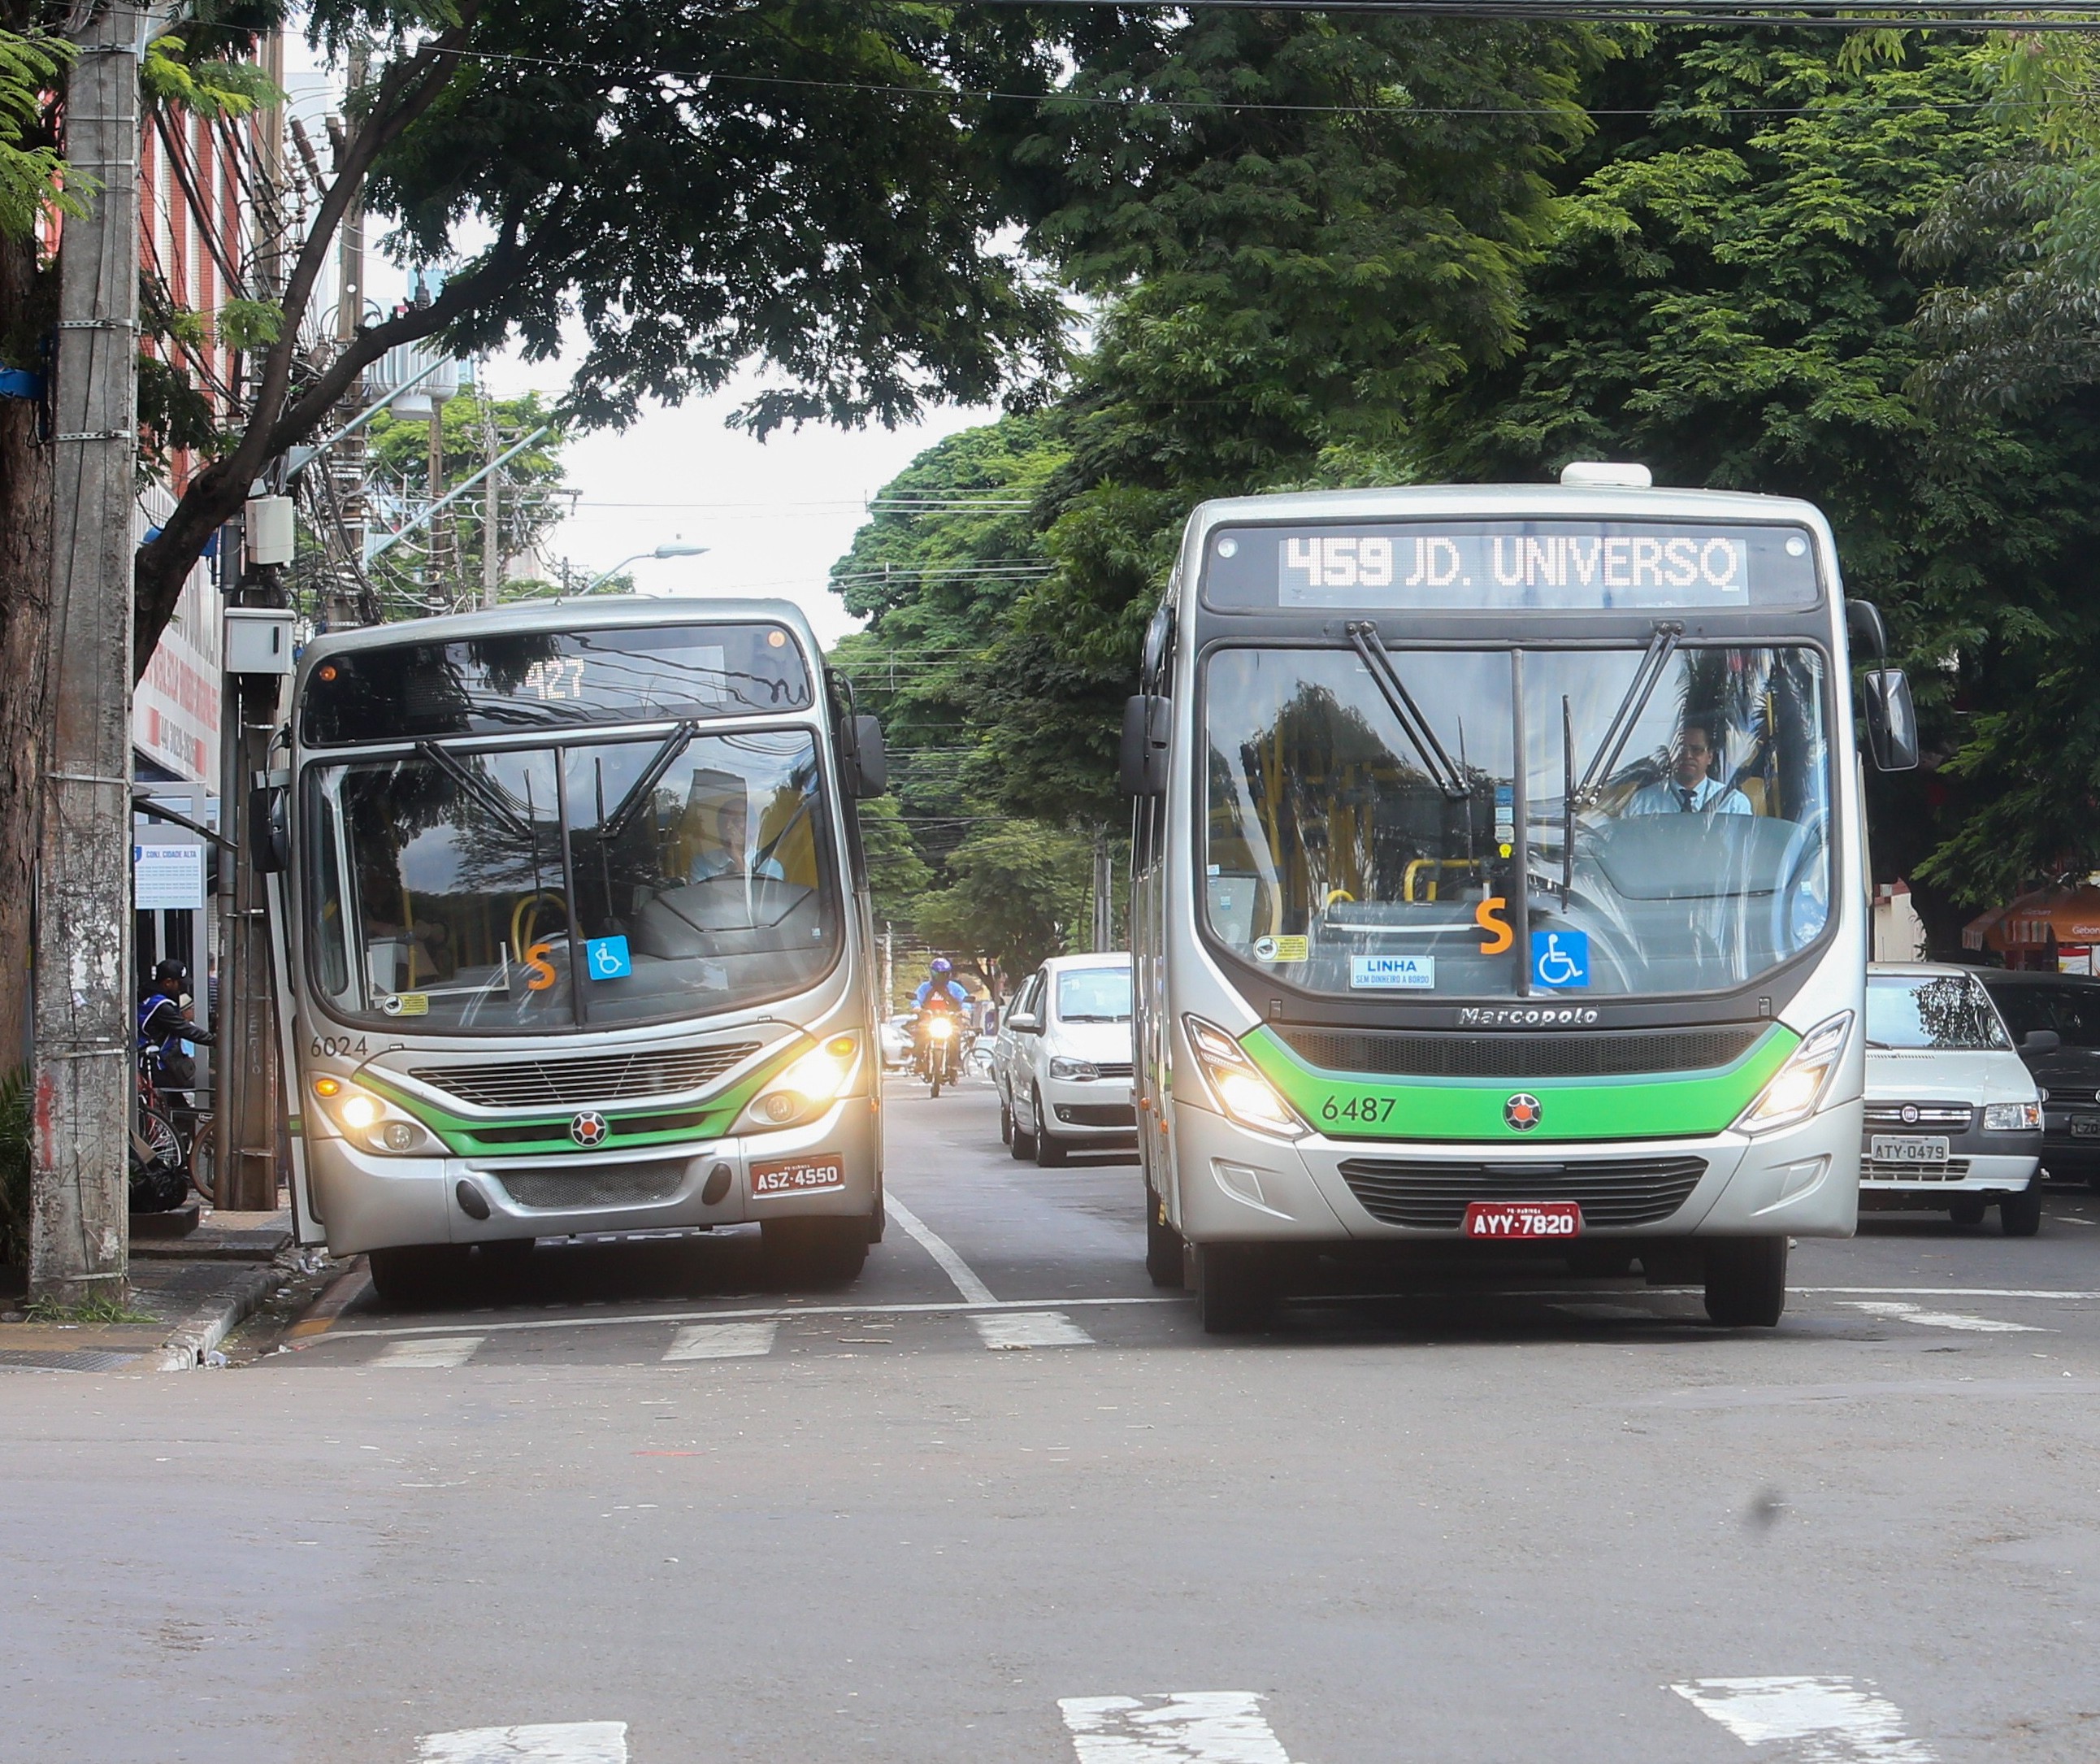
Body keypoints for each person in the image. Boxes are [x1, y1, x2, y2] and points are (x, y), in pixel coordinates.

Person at [1625, 719, 1753, 817]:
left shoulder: (1734, 803)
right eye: (1680, 750)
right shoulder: (1642, 802)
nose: (1687, 756)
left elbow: (1741, 849)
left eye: (1696, 750)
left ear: (1709, 756)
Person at [138, 959, 215, 1097]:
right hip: (159, 1065)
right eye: (179, 984)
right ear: (167, 982)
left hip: (165, 1062)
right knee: (213, 1084)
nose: (182, 989)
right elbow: (186, 1029)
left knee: (177, 1108)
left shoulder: (151, 997)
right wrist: (214, 1040)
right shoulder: (161, 1006)